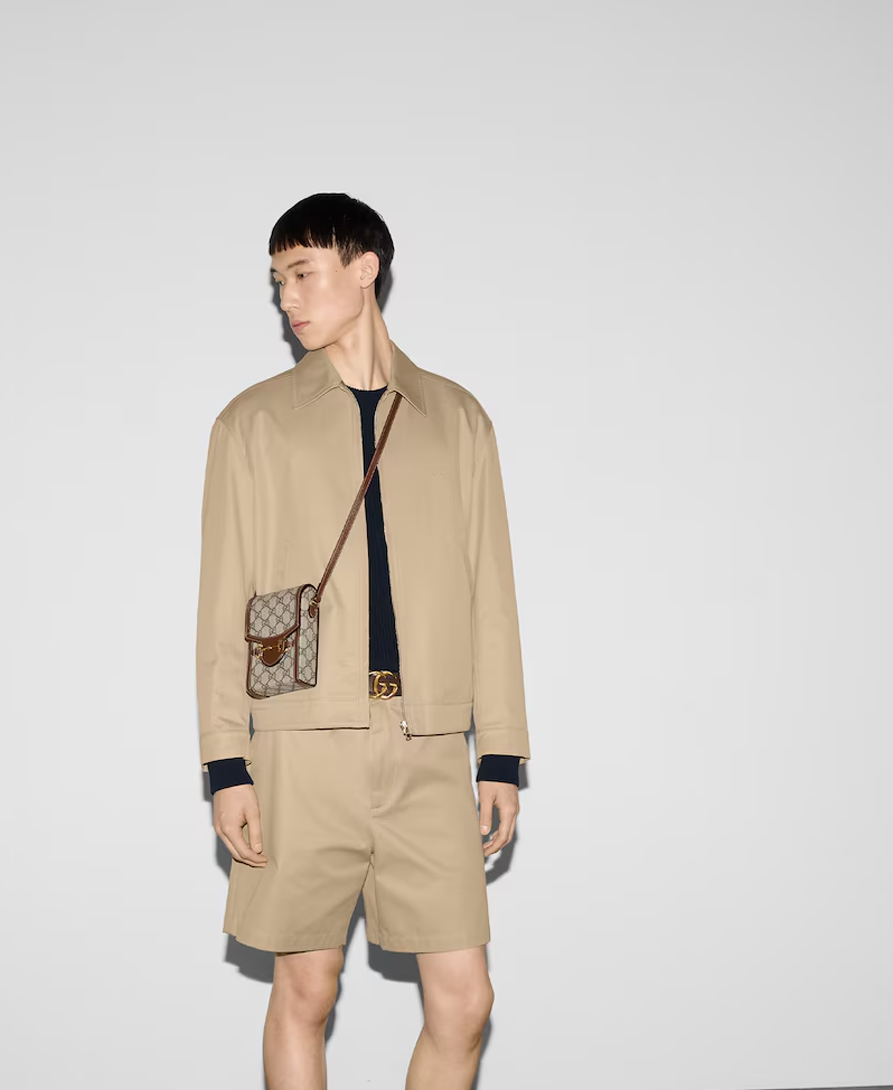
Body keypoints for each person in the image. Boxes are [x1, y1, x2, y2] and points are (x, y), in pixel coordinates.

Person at [195, 192, 531, 1090]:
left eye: (302, 273)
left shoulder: (456, 417)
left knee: (465, 1002)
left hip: (428, 745)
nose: (287, 298)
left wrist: (500, 750)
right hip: (301, 748)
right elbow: (223, 604)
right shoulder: (252, 422)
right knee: (307, 990)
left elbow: (491, 595)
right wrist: (227, 763)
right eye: (278, 280)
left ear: (364, 268)